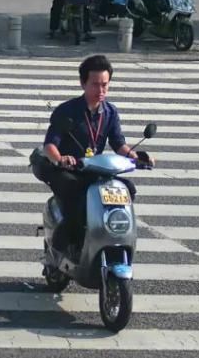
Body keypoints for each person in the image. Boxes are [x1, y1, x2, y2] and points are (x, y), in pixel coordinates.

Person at [33, 55, 154, 255]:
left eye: (105, 85)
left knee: (127, 189)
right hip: (67, 170)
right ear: (83, 83)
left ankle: (110, 230)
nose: (101, 90)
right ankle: (65, 237)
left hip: (94, 168)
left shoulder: (110, 113)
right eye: (95, 84)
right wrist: (61, 159)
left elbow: (119, 144)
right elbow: (50, 146)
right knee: (74, 189)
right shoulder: (67, 111)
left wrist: (137, 157)